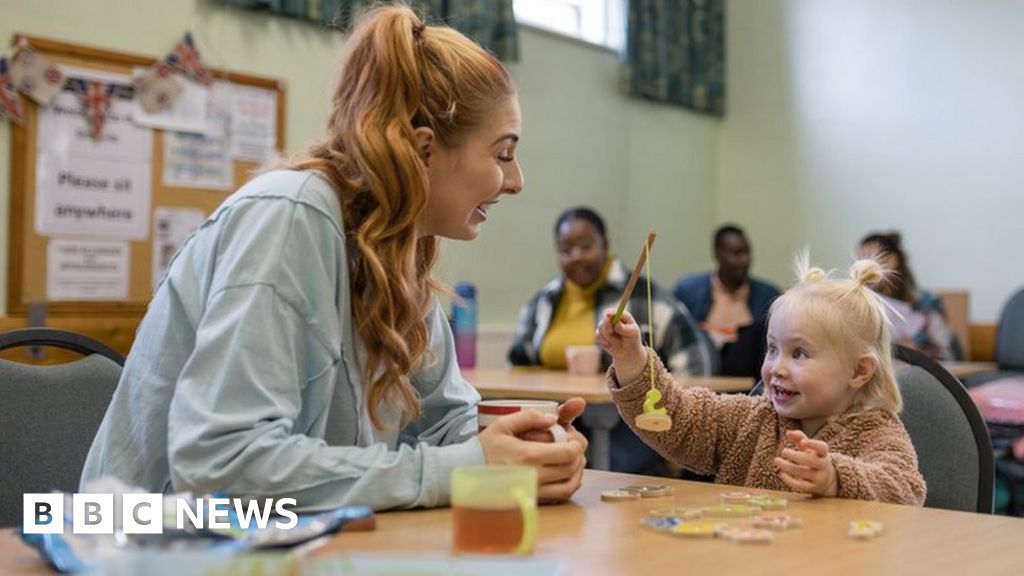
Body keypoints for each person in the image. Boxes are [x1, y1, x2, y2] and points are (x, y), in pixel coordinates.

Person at [81, 5, 587, 511]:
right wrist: (468, 467)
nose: (516, 182)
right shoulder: (289, 216)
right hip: (140, 541)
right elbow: (221, 465)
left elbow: (444, 424)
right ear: (423, 150)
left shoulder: (397, 249)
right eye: (502, 154)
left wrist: (528, 444)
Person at [598, 255, 927, 505]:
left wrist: (835, 478)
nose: (776, 368)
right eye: (772, 349)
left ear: (858, 372)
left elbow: (905, 490)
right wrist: (631, 359)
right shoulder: (751, 418)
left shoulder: (877, 432)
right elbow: (679, 418)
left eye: (799, 354)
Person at [508, 206, 709, 475]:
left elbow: (694, 365)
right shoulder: (543, 304)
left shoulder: (646, 299)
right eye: (566, 249)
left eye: (585, 245)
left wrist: (677, 431)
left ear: (605, 245)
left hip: (631, 425)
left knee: (604, 465)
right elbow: (517, 364)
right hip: (560, 419)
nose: (576, 256)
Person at [674, 224, 781, 378]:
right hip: (698, 379)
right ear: (718, 254)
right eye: (737, 253)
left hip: (748, 384)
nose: (744, 260)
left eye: (747, 252)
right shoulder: (688, 291)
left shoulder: (768, 295)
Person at [858, 231, 962, 361]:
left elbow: (948, 356)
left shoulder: (927, 303)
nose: (864, 270)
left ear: (893, 260)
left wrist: (917, 353)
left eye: (872, 260)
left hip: (925, 372)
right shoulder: (861, 304)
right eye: (860, 263)